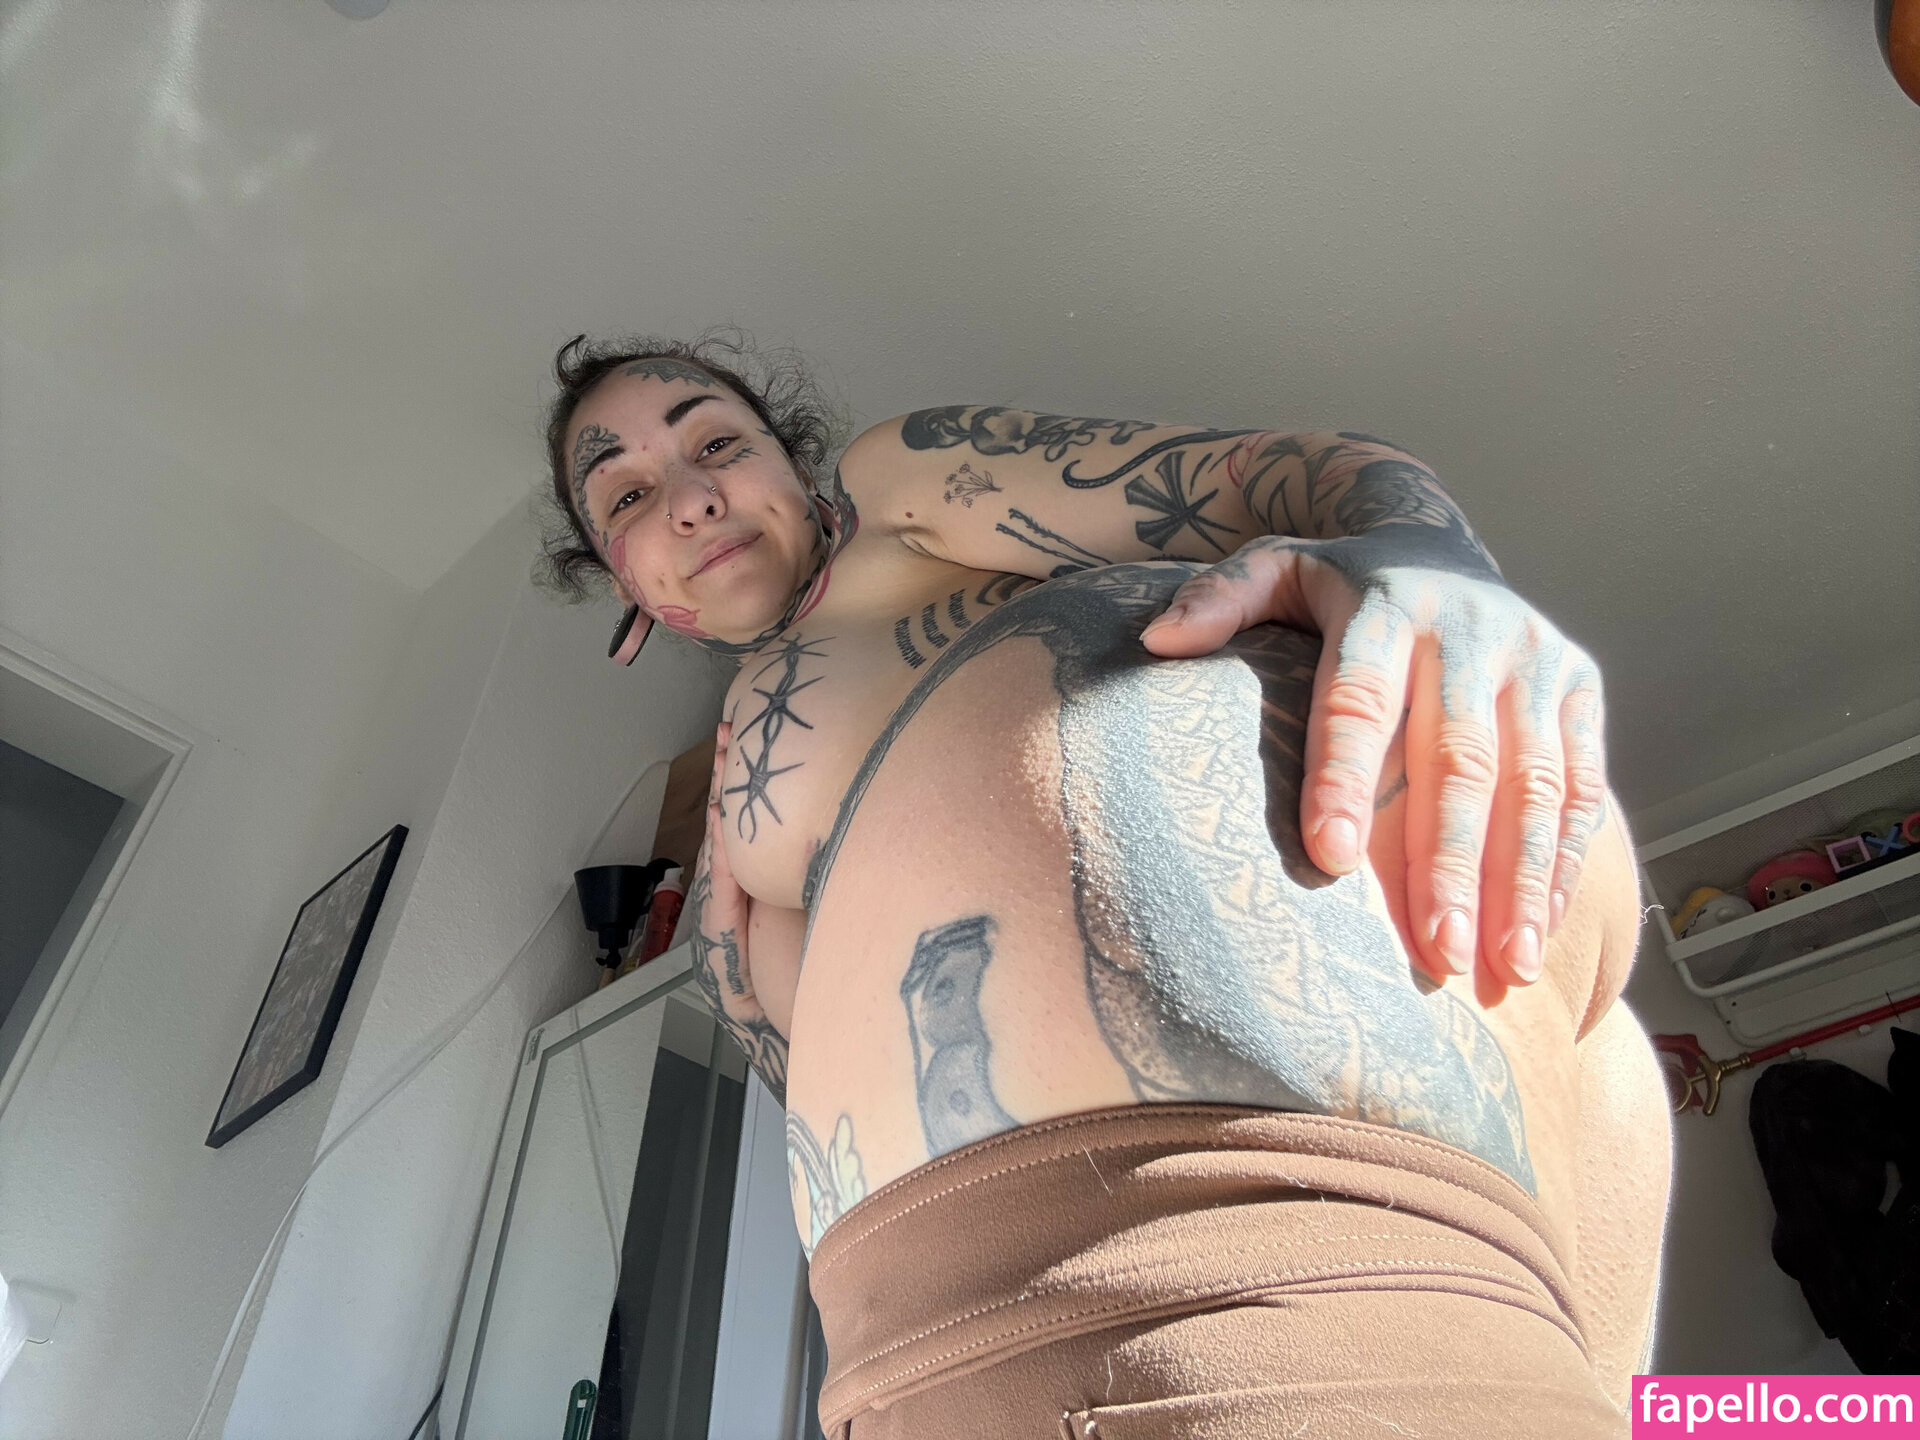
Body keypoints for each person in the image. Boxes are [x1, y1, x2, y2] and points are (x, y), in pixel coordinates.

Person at [541, 333, 1668, 1437]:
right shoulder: (734, 800)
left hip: (1287, 1226)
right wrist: (744, 987)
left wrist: (1427, 554)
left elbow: (1280, 476)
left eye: (716, 443)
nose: (690, 499)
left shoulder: (901, 487)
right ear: (625, 596)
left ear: (789, 462)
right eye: (627, 497)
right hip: (945, 1329)